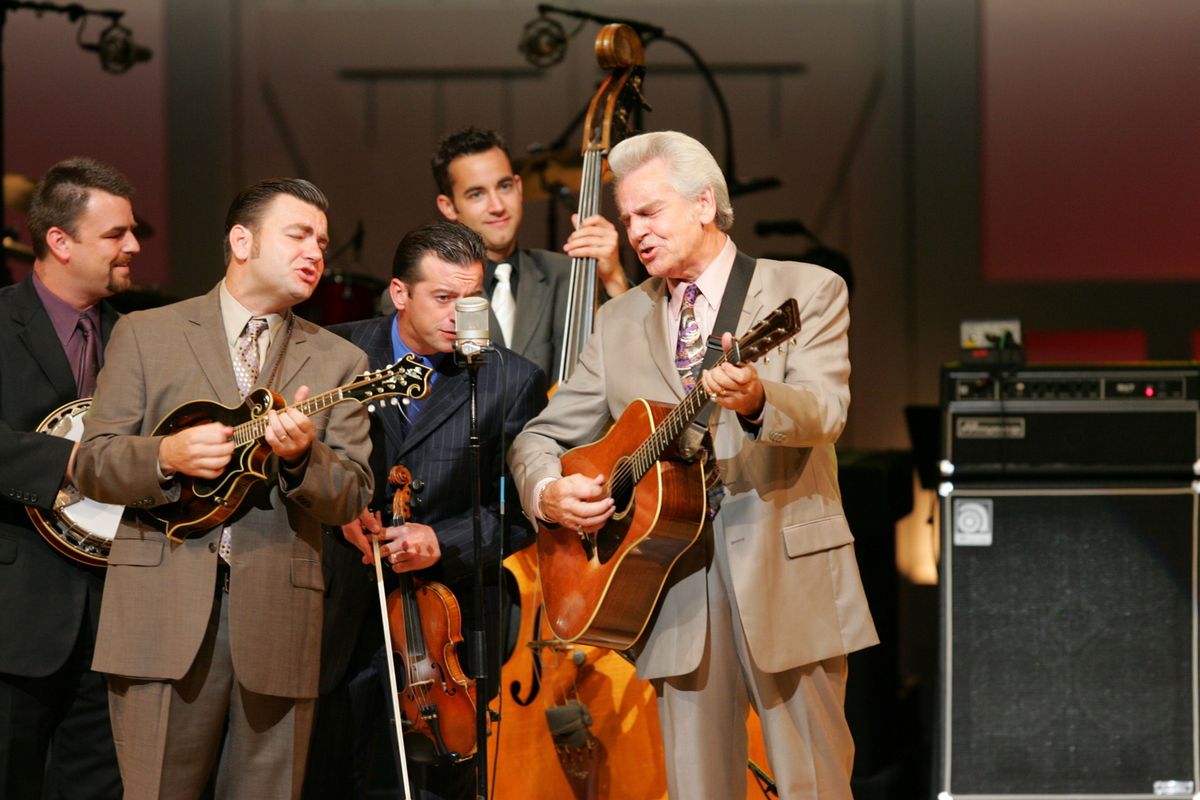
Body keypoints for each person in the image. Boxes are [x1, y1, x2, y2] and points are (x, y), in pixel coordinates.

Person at [508, 131, 878, 798]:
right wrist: (548, 492)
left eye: (649, 212)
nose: (635, 232)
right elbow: (538, 437)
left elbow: (828, 410)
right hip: (671, 582)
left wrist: (760, 397)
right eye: (628, 219)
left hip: (784, 572)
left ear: (704, 203)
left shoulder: (805, 289)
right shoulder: (619, 320)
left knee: (813, 784)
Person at [74, 178, 374, 799]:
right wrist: (166, 454)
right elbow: (91, 463)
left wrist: (302, 459)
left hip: (278, 615)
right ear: (242, 240)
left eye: (321, 241)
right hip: (160, 610)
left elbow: (351, 495)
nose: (315, 252)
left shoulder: (338, 361)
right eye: (298, 235)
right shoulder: (146, 333)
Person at [305, 221, 547, 799]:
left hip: (446, 636)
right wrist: (333, 507)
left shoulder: (510, 379)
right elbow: (289, 466)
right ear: (398, 292)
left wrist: (445, 541)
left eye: (472, 301)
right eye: (443, 299)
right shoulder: (331, 353)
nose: (459, 317)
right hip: (335, 611)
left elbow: (522, 513)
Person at [0, 157, 138, 799]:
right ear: (59, 241)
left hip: (117, 622)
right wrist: (74, 463)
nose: (133, 246)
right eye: (115, 234)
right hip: (15, 620)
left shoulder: (139, 339)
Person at [432, 126, 628, 381]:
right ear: (448, 207)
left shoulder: (569, 275)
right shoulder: (426, 294)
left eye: (504, 187)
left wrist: (614, 278)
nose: (498, 206)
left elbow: (630, 359)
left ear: (519, 187)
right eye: (477, 194)